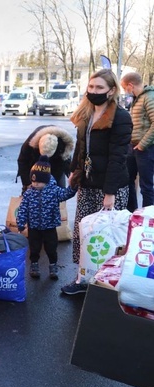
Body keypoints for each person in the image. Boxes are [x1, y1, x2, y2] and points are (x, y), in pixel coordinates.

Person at [61, 68, 132, 295]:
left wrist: (109, 192)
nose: (93, 91)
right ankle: (83, 279)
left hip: (111, 186)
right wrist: (74, 171)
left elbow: (118, 158)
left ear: (111, 90)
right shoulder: (86, 113)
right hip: (88, 184)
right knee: (84, 233)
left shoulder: (120, 117)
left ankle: (108, 282)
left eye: (99, 87)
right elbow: (81, 147)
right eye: (91, 87)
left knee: (108, 236)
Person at [17, 155, 78, 280]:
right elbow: (22, 209)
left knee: (51, 247)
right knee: (34, 247)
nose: (35, 184)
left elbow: (65, 194)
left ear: (46, 180)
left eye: (38, 182)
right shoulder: (29, 192)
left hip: (50, 226)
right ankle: (34, 264)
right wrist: (21, 222)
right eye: (33, 181)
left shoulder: (54, 190)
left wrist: (74, 186)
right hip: (34, 226)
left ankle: (53, 265)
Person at [121, 72, 154, 209]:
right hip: (133, 147)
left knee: (146, 186)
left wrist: (142, 144)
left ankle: (148, 220)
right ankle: (132, 214)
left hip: (145, 149)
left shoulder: (149, 97)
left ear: (130, 85)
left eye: (124, 88)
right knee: (127, 180)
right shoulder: (138, 99)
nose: (125, 92)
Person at [16, 125, 75, 192]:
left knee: (58, 190)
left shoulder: (63, 148)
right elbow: (22, 162)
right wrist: (27, 183)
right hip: (34, 166)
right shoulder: (30, 144)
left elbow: (62, 168)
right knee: (30, 191)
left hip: (56, 165)